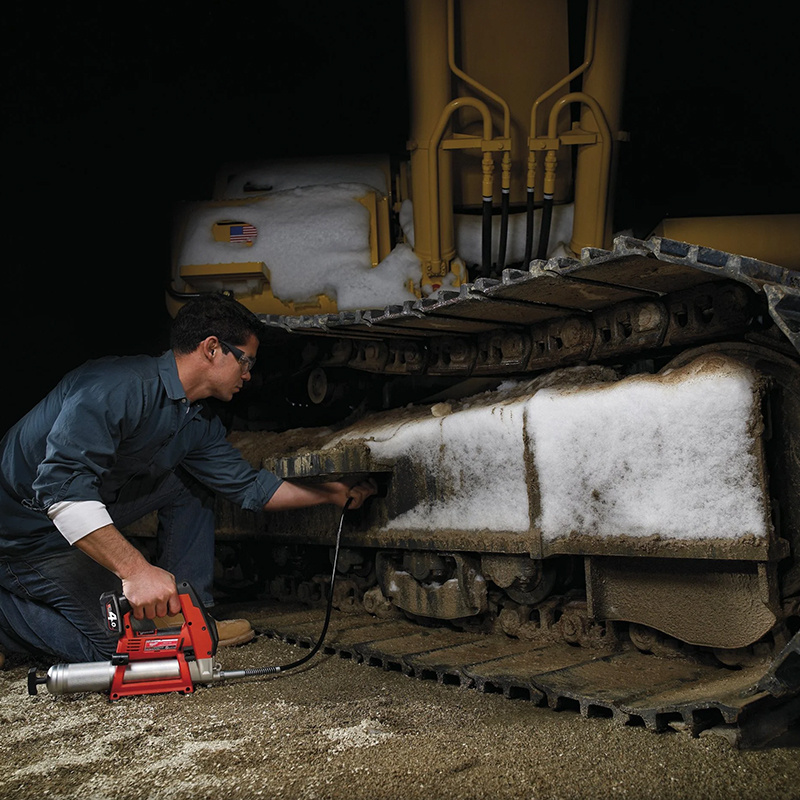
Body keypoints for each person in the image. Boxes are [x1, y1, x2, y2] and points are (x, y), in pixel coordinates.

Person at [0, 293, 376, 669]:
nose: (248, 374)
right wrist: (136, 571)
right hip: (23, 535)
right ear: (212, 349)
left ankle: (190, 613)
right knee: (122, 649)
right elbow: (62, 492)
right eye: (246, 361)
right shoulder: (114, 387)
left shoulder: (195, 420)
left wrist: (331, 493)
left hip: (72, 515)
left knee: (188, 480)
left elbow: (249, 487)